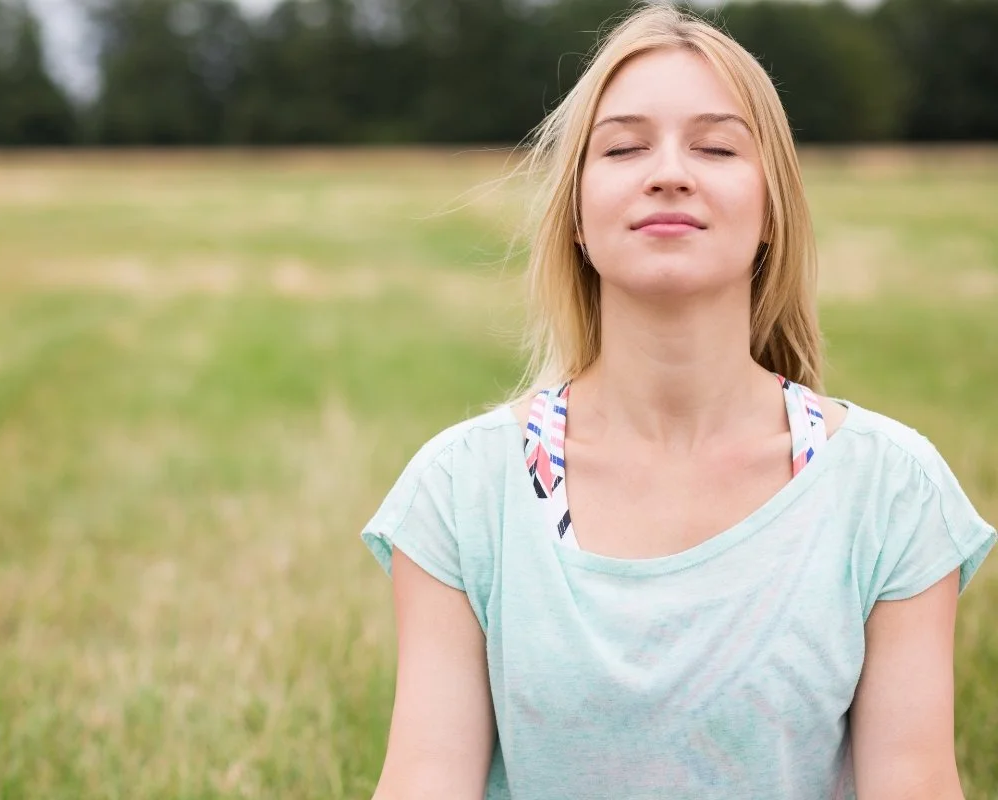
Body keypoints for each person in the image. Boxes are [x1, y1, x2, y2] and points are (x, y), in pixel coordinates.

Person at [359, 5, 996, 799]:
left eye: (717, 146)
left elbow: (915, 784)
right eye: (624, 147)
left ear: (772, 212)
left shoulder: (892, 491)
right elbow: (426, 781)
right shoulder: (460, 491)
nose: (669, 172)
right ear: (578, 220)